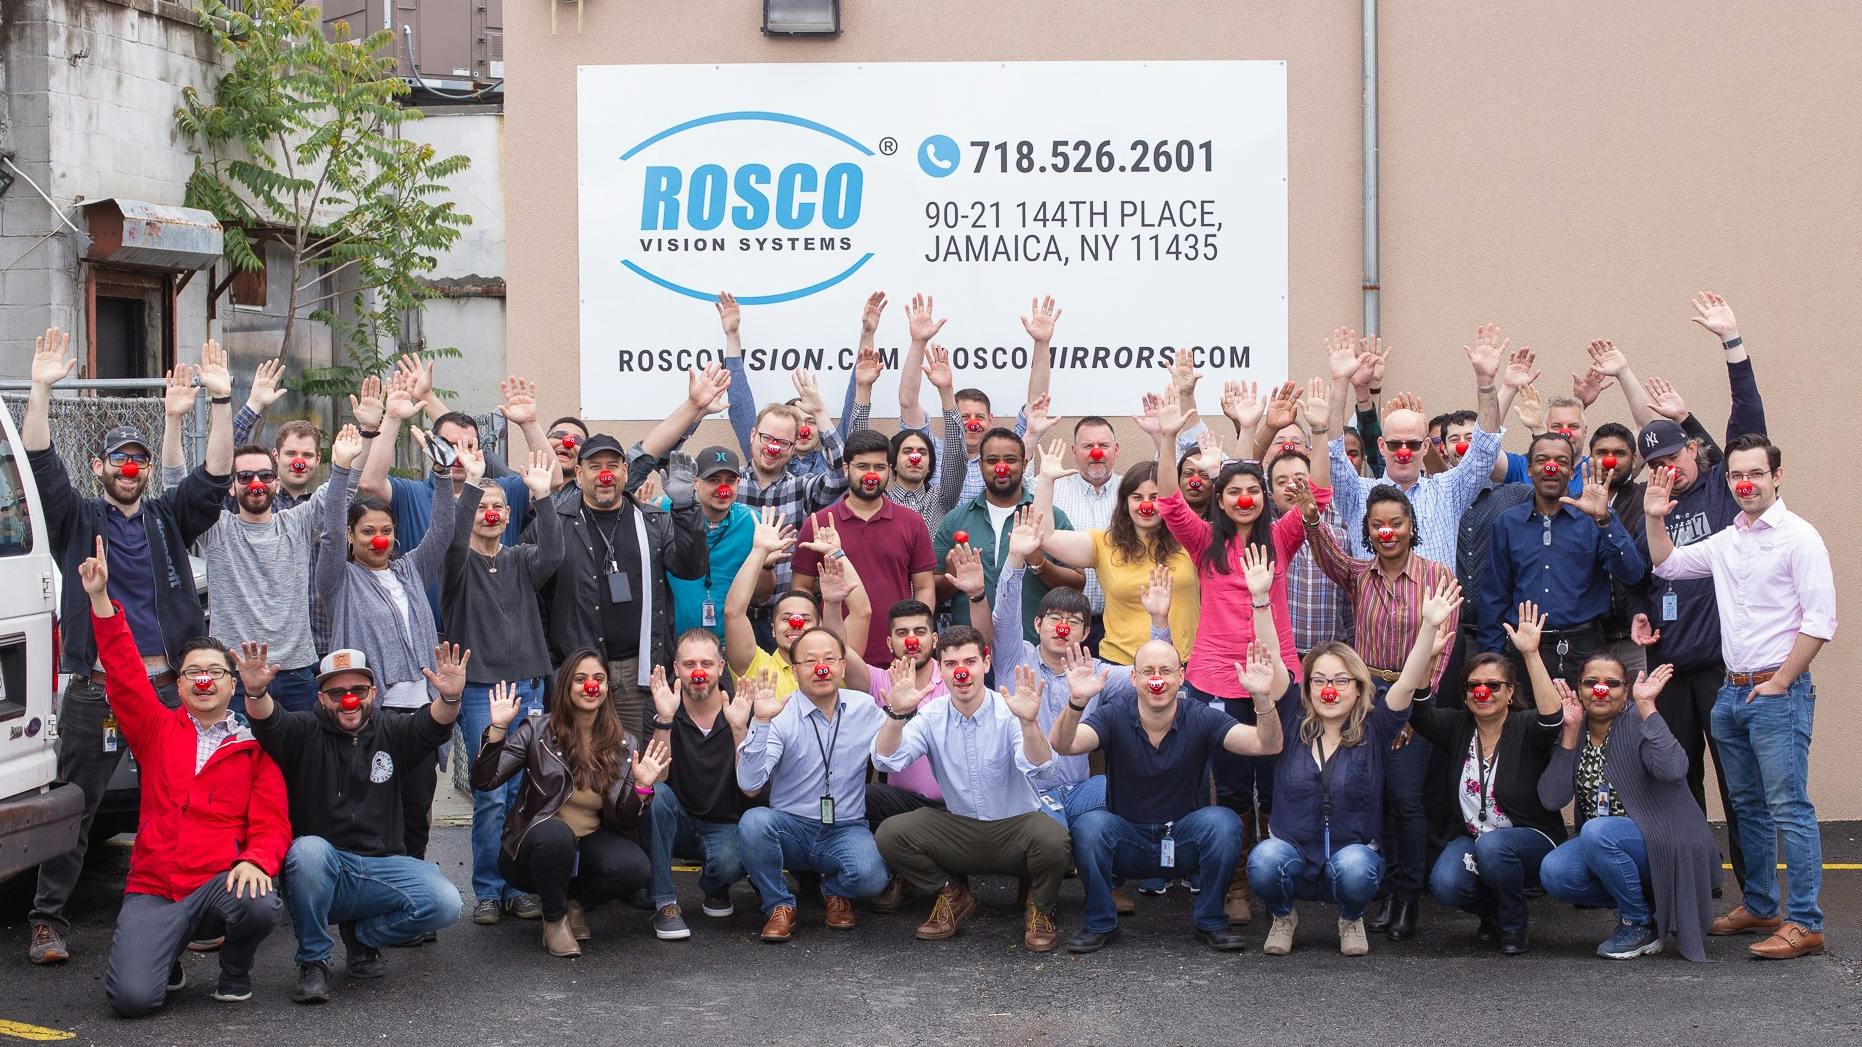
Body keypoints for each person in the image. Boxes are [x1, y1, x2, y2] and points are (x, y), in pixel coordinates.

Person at [24, 330, 234, 966]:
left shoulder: (168, 517)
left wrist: (221, 402)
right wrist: (39, 389)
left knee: (177, 802)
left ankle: (185, 910)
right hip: (97, 690)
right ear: (101, 467)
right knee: (77, 804)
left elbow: (216, 475)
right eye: (119, 459)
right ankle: (47, 921)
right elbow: (40, 461)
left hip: (167, 688)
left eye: (138, 459)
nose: (130, 468)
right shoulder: (77, 519)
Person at [75, 540, 287, 1014]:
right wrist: (101, 600)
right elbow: (125, 673)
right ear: (180, 683)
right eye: (193, 672)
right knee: (132, 1001)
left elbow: (272, 825)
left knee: (259, 901)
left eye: (214, 671)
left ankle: (235, 969)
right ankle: (165, 957)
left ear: (232, 683)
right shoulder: (155, 728)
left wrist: (256, 861)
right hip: (155, 887)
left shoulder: (255, 748)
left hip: (216, 883)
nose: (203, 680)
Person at [1646, 434, 1835, 960]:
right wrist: (1655, 518)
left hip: (1777, 691)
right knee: (1748, 806)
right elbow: (1667, 564)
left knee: (1788, 807)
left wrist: (1779, 683)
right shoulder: (1728, 539)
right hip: (1731, 693)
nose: (1745, 483)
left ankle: (1806, 922)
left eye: (1755, 473)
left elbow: (1820, 623)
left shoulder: (1800, 538)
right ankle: (1760, 905)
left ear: (1777, 476)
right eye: (1735, 475)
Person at [1051, 542, 1289, 953]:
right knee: (1090, 825)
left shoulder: (1201, 716)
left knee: (1224, 823)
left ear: (1181, 676)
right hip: (1128, 838)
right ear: (1134, 679)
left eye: (1165, 670)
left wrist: (1262, 698)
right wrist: (1076, 702)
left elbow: (1267, 744)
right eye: (1147, 671)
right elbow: (1064, 744)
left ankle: (1211, 920)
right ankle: (1100, 922)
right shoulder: (1114, 714)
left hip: (1182, 839)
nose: (1156, 679)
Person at [1617, 295, 1770, 895]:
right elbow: (1638, 582)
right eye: (1654, 461)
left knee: (1739, 785)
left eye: (1674, 455)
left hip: (1724, 667)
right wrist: (1637, 615)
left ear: (1692, 450)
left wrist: (1733, 345)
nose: (1667, 468)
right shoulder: (1646, 510)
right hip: (1670, 667)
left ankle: (1756, 897)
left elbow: (1750, 425)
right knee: (1677, 783)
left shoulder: (1723, 491)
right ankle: (1696, 888)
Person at [1151, 384, 1321, 922]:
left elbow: (1319, 493)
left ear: (1265, 497)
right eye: (1234, 491)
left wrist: (1321, 427)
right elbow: (1169, 503)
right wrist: (1167, 438)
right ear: (1220, 499)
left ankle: (1278, 879)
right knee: (1228, 785)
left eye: (1253, 490)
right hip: (1216, 678)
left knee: (1278, 781)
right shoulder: (1204, 542)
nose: (1244, 498)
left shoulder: (1283, 537)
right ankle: (1237, 883)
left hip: (1277, 677)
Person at [244, 641, 468, 1004]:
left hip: (380, 869)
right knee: (308, 851)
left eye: (358, 690)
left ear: (373, 693)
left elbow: (431, 725)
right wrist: (255, 692)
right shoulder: (303, 732)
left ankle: (364, 936)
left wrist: (451, 697)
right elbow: (269, 721)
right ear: (322, 698)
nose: (349, 700)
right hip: (321, 874)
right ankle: (313, 961)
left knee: (446, 902)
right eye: (337, 693)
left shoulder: (390, 730)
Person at [1252, 577, 1460, 957]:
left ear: (1359, 686)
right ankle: (1283, 917)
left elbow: (1407, 683)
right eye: (1319, 680)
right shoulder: (1291, 718)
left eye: (1340, 680)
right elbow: (1273, 660)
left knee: (1357, 867)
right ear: (1308, 688)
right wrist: (1261, 599)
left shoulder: (1376, 727)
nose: (1328, 689)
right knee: (1263, 860)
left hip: (1350, 861)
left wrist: (1429, 626)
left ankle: (1350, 917)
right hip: (1293, 855)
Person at [1296, 455, 1457, 941]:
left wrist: (1412, 712)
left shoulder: (1437, 577)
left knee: (1405, 798)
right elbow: (1327, 554)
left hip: (1414, 695)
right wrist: (1311, 517)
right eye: (1377, 525)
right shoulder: (1359, 575)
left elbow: (1442, 651)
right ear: (1368, 531)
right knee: (1374, 794)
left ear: (1411, 526)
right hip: (1365, 698)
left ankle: (1408, 898)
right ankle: (1382, 891)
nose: (1388, 532)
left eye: (1396, 523)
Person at [871, 631, 1073, 951]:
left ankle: (1039, 907)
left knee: (1054, 838)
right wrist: (896, 715)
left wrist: (1029, 723)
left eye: (970, 661)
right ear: (941, 668)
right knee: (891, 833)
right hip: (961, 830)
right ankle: (953, 894)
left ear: (986, 663)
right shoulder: (931, 715)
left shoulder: (1010, 710)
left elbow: (1042, 767)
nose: (961, 671)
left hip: (1015, 829)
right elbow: (886, 760)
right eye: (951, 664)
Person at [174, 375, 365, 715]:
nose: (256, 483)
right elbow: (179, 488)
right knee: (238, 752)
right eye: (245, 477)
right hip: (234, 675)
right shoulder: (217, 528)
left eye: (264, 476)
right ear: (231, 485)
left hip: (296, 674)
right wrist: (177, 419)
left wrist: (365, 436)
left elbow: (344, 490)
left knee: (302, 751)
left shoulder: (298, 522)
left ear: (276, 481)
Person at [317, 426, 463, 860]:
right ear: (351, 535)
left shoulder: (410, 569)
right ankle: (375, 887)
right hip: (373, 714)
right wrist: (341, 471)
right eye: (367, 531)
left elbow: (443, 529)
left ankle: (415, 886)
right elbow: (328, 536)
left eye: (385, 529)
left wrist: (441, 473)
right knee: (374, 811)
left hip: (422, 713)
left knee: (417, 810)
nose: (377, 538)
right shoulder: (339, 579)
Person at [473, 652, 666, 957]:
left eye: (598, 679)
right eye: (580, 679)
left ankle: (575, 905)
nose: (591, 686)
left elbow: (627, 823)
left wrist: (642, 789)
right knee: (556, 833)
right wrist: (497, 730)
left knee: (636, 868)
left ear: (607, 688)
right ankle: (554, 920)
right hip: (532, 850)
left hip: (586, 845)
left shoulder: (624, 743)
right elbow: (485, 780)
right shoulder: (537, 731)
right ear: (565, 686)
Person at [1536, 655, 1722, 961]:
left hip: (1663, 838)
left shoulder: (1639, 720)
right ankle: (1647, 909)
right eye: (1591, 683)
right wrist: (1569, 733)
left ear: (1625, 691)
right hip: (1608, 843)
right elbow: (1552, 799)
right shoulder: (1576, 728)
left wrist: (1648, 707)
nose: (1601, 690)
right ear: (1579, 689)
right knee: (1556, 871)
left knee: (1596, 832)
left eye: (1612, 683)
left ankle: (1636, 923)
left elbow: (1674, 769)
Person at [442, 450, 562, 924]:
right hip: (480, 692)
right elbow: (454, 543)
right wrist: (470, 487)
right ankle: (489, 891)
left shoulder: (522, 559)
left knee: (524, 790)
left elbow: (554, 553)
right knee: (491, 793)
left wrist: (543, 497)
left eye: (497, 506)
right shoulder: (456, 565)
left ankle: (517, 886)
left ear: (509, 516)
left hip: (529, 688)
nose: (488, 514)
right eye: (480, 507)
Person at [1415, 603, 1568, 954]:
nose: (1483, 693)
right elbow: (1420, 712)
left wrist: (1530, 654)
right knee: (1445, 882)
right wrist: (1428, 657)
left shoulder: (1525, 726)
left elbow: (1552, 718)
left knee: (1493, 848)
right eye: (1474, 686)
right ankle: (1495, 912)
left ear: (1510, 692)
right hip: (1475, 838)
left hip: (1531, 839)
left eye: (1494, 685)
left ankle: (1514, 925)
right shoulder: (1458, 727)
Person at [534, 432, 708, 738]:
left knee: (637, 756)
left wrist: (685, 508)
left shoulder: (653, 521)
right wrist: (554, 664)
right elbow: (535, 596)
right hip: (579, 671)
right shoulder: (555, 524)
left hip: (638, 671)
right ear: (579, 474)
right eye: (595, 466)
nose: (605, 475)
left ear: (625, 472)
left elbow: (691, 568)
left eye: (613, 466)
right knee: (580, 754)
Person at [1324, 323, 1531, 563]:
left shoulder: (1447, 491)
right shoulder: (1358, 494)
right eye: (1394, 444)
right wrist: (1340, 382)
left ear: (1425, 446)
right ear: (1381, 446)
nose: (1403, 452)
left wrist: (1485, 382)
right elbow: (1334, 455)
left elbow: (1484, 450)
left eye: (1413, 444)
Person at [734, 628, 892, 942]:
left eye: (830, 659)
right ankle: (779, 904)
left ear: (842, 666)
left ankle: (834, 891)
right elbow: (750, 785)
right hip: (791, 828)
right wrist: (760, 722)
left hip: (845, 828)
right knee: (754, 823)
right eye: (810, 661)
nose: (822, 668)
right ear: (795, 671)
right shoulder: (779, 714)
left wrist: (898, 715)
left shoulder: (864, 708)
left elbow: (892, 760)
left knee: (873, 877)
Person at [1479, 436, 1645, 685]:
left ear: (1571, 472)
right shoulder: (1507, 523)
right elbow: (1495, 596)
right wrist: (1491, 660)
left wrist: (1605, 520)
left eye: (1561, 461)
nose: (1551, 467)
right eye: (1542, 460)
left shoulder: (1594, 518)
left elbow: (1632, 574)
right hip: (1524, 648)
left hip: (1585, 647)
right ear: (1529, 469)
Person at [643, 631, 759, 939]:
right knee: (655, 795)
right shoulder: (659, 706)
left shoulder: (742, 708)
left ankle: (715, 888)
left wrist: (739, 729)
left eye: (706, 664)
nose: (698, 672)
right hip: (677, 819)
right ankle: (665, 903)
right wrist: (665, 719)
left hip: (724, 821)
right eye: (689, 664)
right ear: (676, 668)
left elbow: (750, 787)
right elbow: (657, 778)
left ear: (720, 667)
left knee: (731, 861)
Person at [1033, 452, 1199, 665]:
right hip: (1121, 666)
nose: (1146, 505)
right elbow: (1046, 537)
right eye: (1137, 497)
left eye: (1155, 497)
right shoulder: (1104, 543)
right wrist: (1046, 481)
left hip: (1182, 663)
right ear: (1125, 502)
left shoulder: (1191, 540)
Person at [791, 430, 937, 667]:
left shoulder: (912, 522)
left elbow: (924, 587)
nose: (871, 475)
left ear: (890, 469)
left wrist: (918, 635)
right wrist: (817, 638)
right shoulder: (819, 523)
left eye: (879, 467)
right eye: (862, 466)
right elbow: (801, 588)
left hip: (898, 658)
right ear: (846, 469)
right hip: (836, 658)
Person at [933, 428, 1080, 640]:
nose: (1001, 468)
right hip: (971, 649)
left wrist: (1040, 564)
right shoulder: (955, 520)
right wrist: (952, 576)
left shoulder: (1050, 517)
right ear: (981, 465)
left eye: (1010, 460)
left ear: (1025, 464)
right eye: (992, 460)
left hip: (1033, 647)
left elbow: (1077, 585)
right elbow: (933, 593)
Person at [724, 506, 872, 702]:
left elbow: (861, 612)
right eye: (786, 618)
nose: (796, 623)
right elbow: (734, 612)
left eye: (806, 619)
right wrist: (759, 551)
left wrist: (836, 553)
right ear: (773, 629)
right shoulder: (758, 667)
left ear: (819, 626)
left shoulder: (837, 665)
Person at [661, 446, 755, 643]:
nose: (723, 489)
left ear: (739, 483)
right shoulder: (664, 510)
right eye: (713, 480)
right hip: (675, 643)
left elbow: (762, 594)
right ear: (695, 482)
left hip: (729, 644)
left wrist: (766, 562)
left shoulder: (753, 521)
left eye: (730, 481)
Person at [1269, 451, 1353, 657]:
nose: (1292, 486)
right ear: (1270, 494)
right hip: (1281, 657)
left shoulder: (1342, 538)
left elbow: (1350, 603)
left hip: (1331, 656)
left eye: (1299, 479)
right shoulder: (1265, 538)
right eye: (1281, 482)